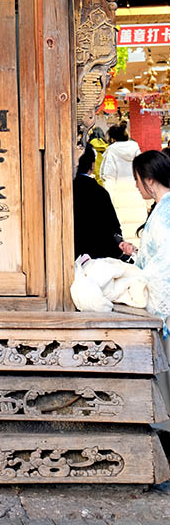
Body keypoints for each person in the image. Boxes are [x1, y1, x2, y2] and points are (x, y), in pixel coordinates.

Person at [120, 150, 170, 425]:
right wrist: (137, 254)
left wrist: (136, 281)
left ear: (149, 180)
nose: (136, 185)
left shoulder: (164, 215)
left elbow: (164, 266)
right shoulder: (162, 210)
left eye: (137, 179)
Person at [73, 144, 128, 259]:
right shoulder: (99, 192)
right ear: (92, 165)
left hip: (73, 254)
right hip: (99, 255)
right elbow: (112, 226)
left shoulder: (64, 191)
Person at [100, 122, 148, 246]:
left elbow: (108, 178)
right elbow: (144, 174)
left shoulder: (111, 152)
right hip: (137, 196)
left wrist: (108, 202)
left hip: (119, 199)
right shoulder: (136, 150)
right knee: (138, 233)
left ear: (112, 138)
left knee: (124, 236)